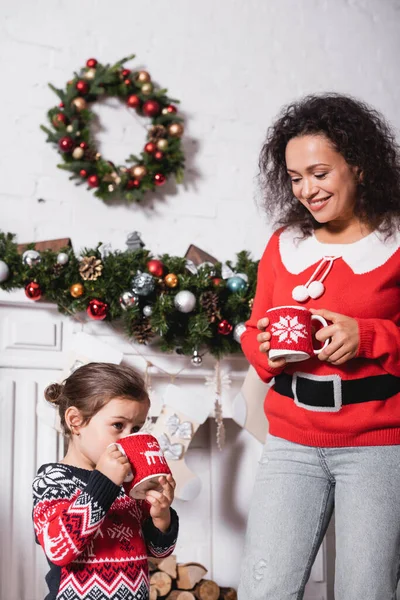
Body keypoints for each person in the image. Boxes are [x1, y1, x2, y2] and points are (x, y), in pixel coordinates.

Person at [238, 93, 400, 600]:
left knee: (365, 592)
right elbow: (252, 328)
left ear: (359, 165)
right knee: (264, 589)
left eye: (320, 173)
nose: (307, 190)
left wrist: (367, 335)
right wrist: (263, 347)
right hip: (292, 439)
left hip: (379, 445)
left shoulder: (395, 243)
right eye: (295, 178)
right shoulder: (284, 243)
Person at [32, 362, 178, 600]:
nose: (128, 438)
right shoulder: (53, 480)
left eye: (136, 428)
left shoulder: (129, 485)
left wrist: (161, 516)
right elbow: (58, 549)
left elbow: (159, 551)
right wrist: (105, 483)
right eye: (118, 426)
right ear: (76, 421)